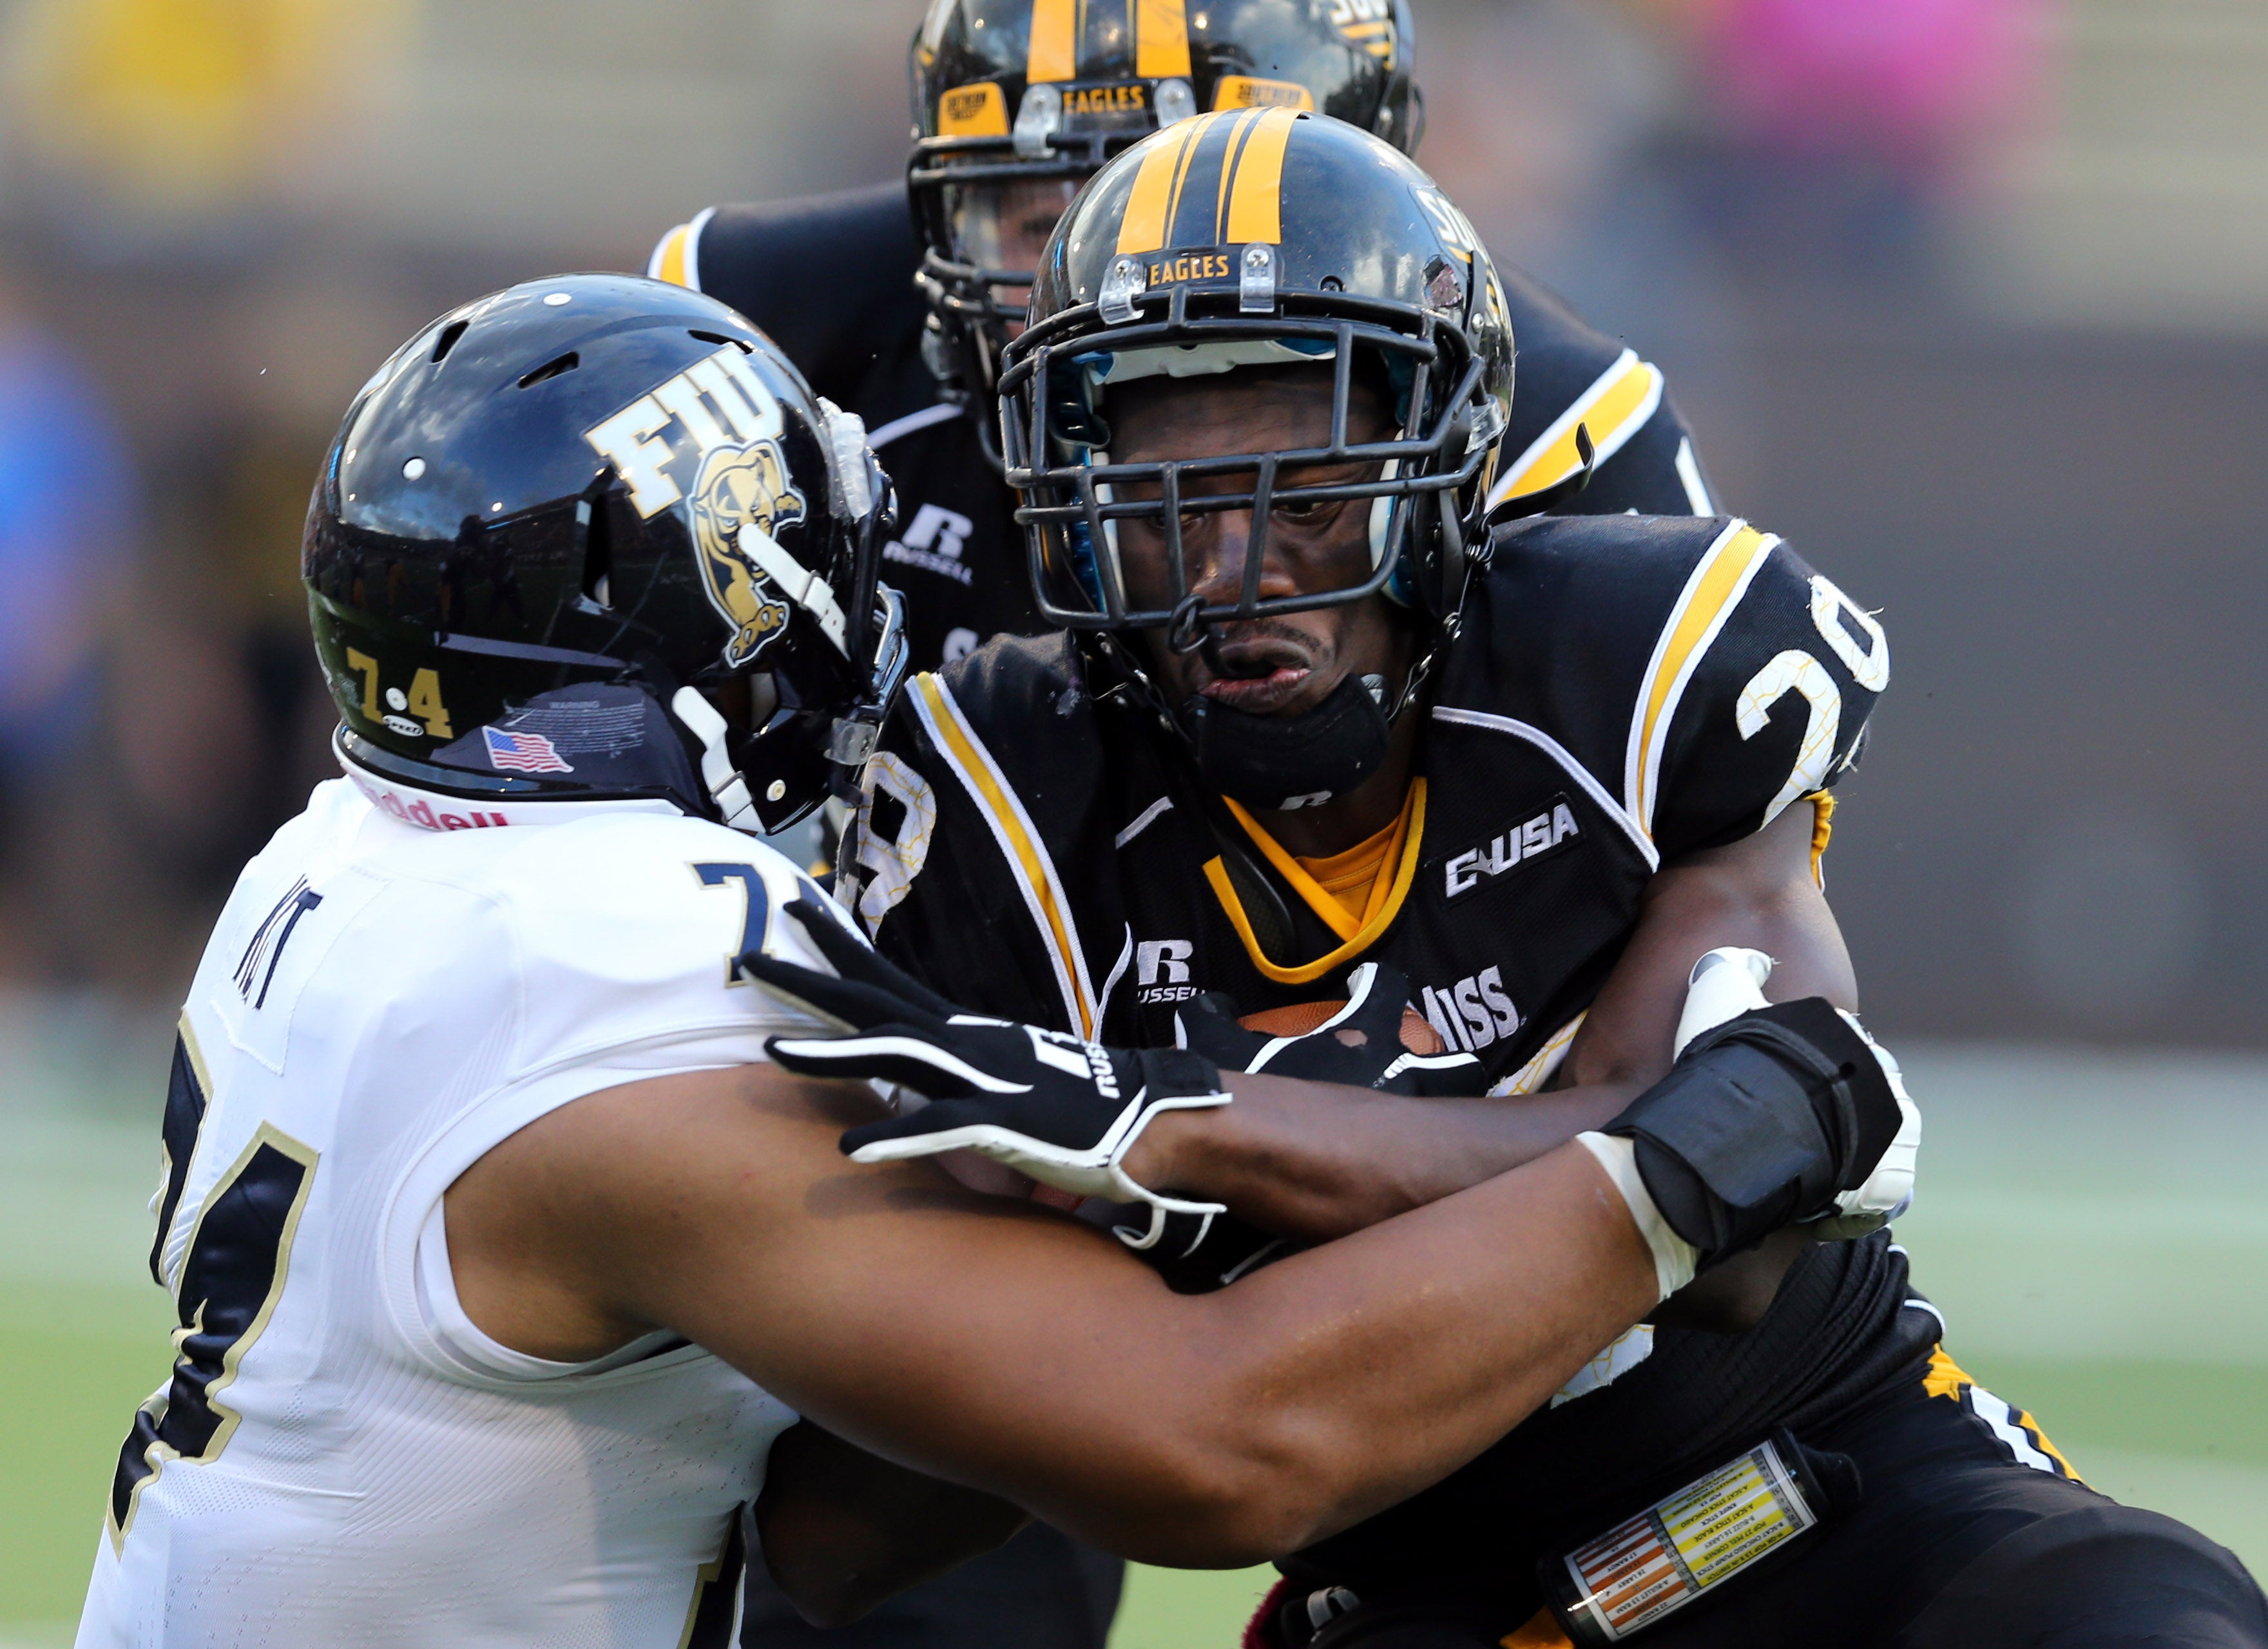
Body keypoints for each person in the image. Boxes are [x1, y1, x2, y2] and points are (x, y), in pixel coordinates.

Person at [73, 274, 1907, 1649]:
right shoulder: (631, 990)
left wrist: (1167, 1154)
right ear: (737, 621)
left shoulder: (348, 851)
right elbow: (1225, 1448)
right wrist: (1689, 1166)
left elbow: (840, 1525)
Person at [832, 114, 2268, 1648]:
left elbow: (1747, 1180)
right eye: (1161, 507)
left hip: (1843, 1493)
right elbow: (1081, 1418)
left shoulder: (1626, 660)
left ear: (1438, 458)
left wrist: (1168, 1127)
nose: (1230, 570)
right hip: (1424, 1596)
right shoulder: (998, 793)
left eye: (1303, 492)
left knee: (2146, 1623)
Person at [649, 0, 1717, 676]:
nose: (1089, 284)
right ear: (945, 207)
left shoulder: (1554, 422)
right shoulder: (749, 316)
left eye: (1173, 207)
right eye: (1036, 218)